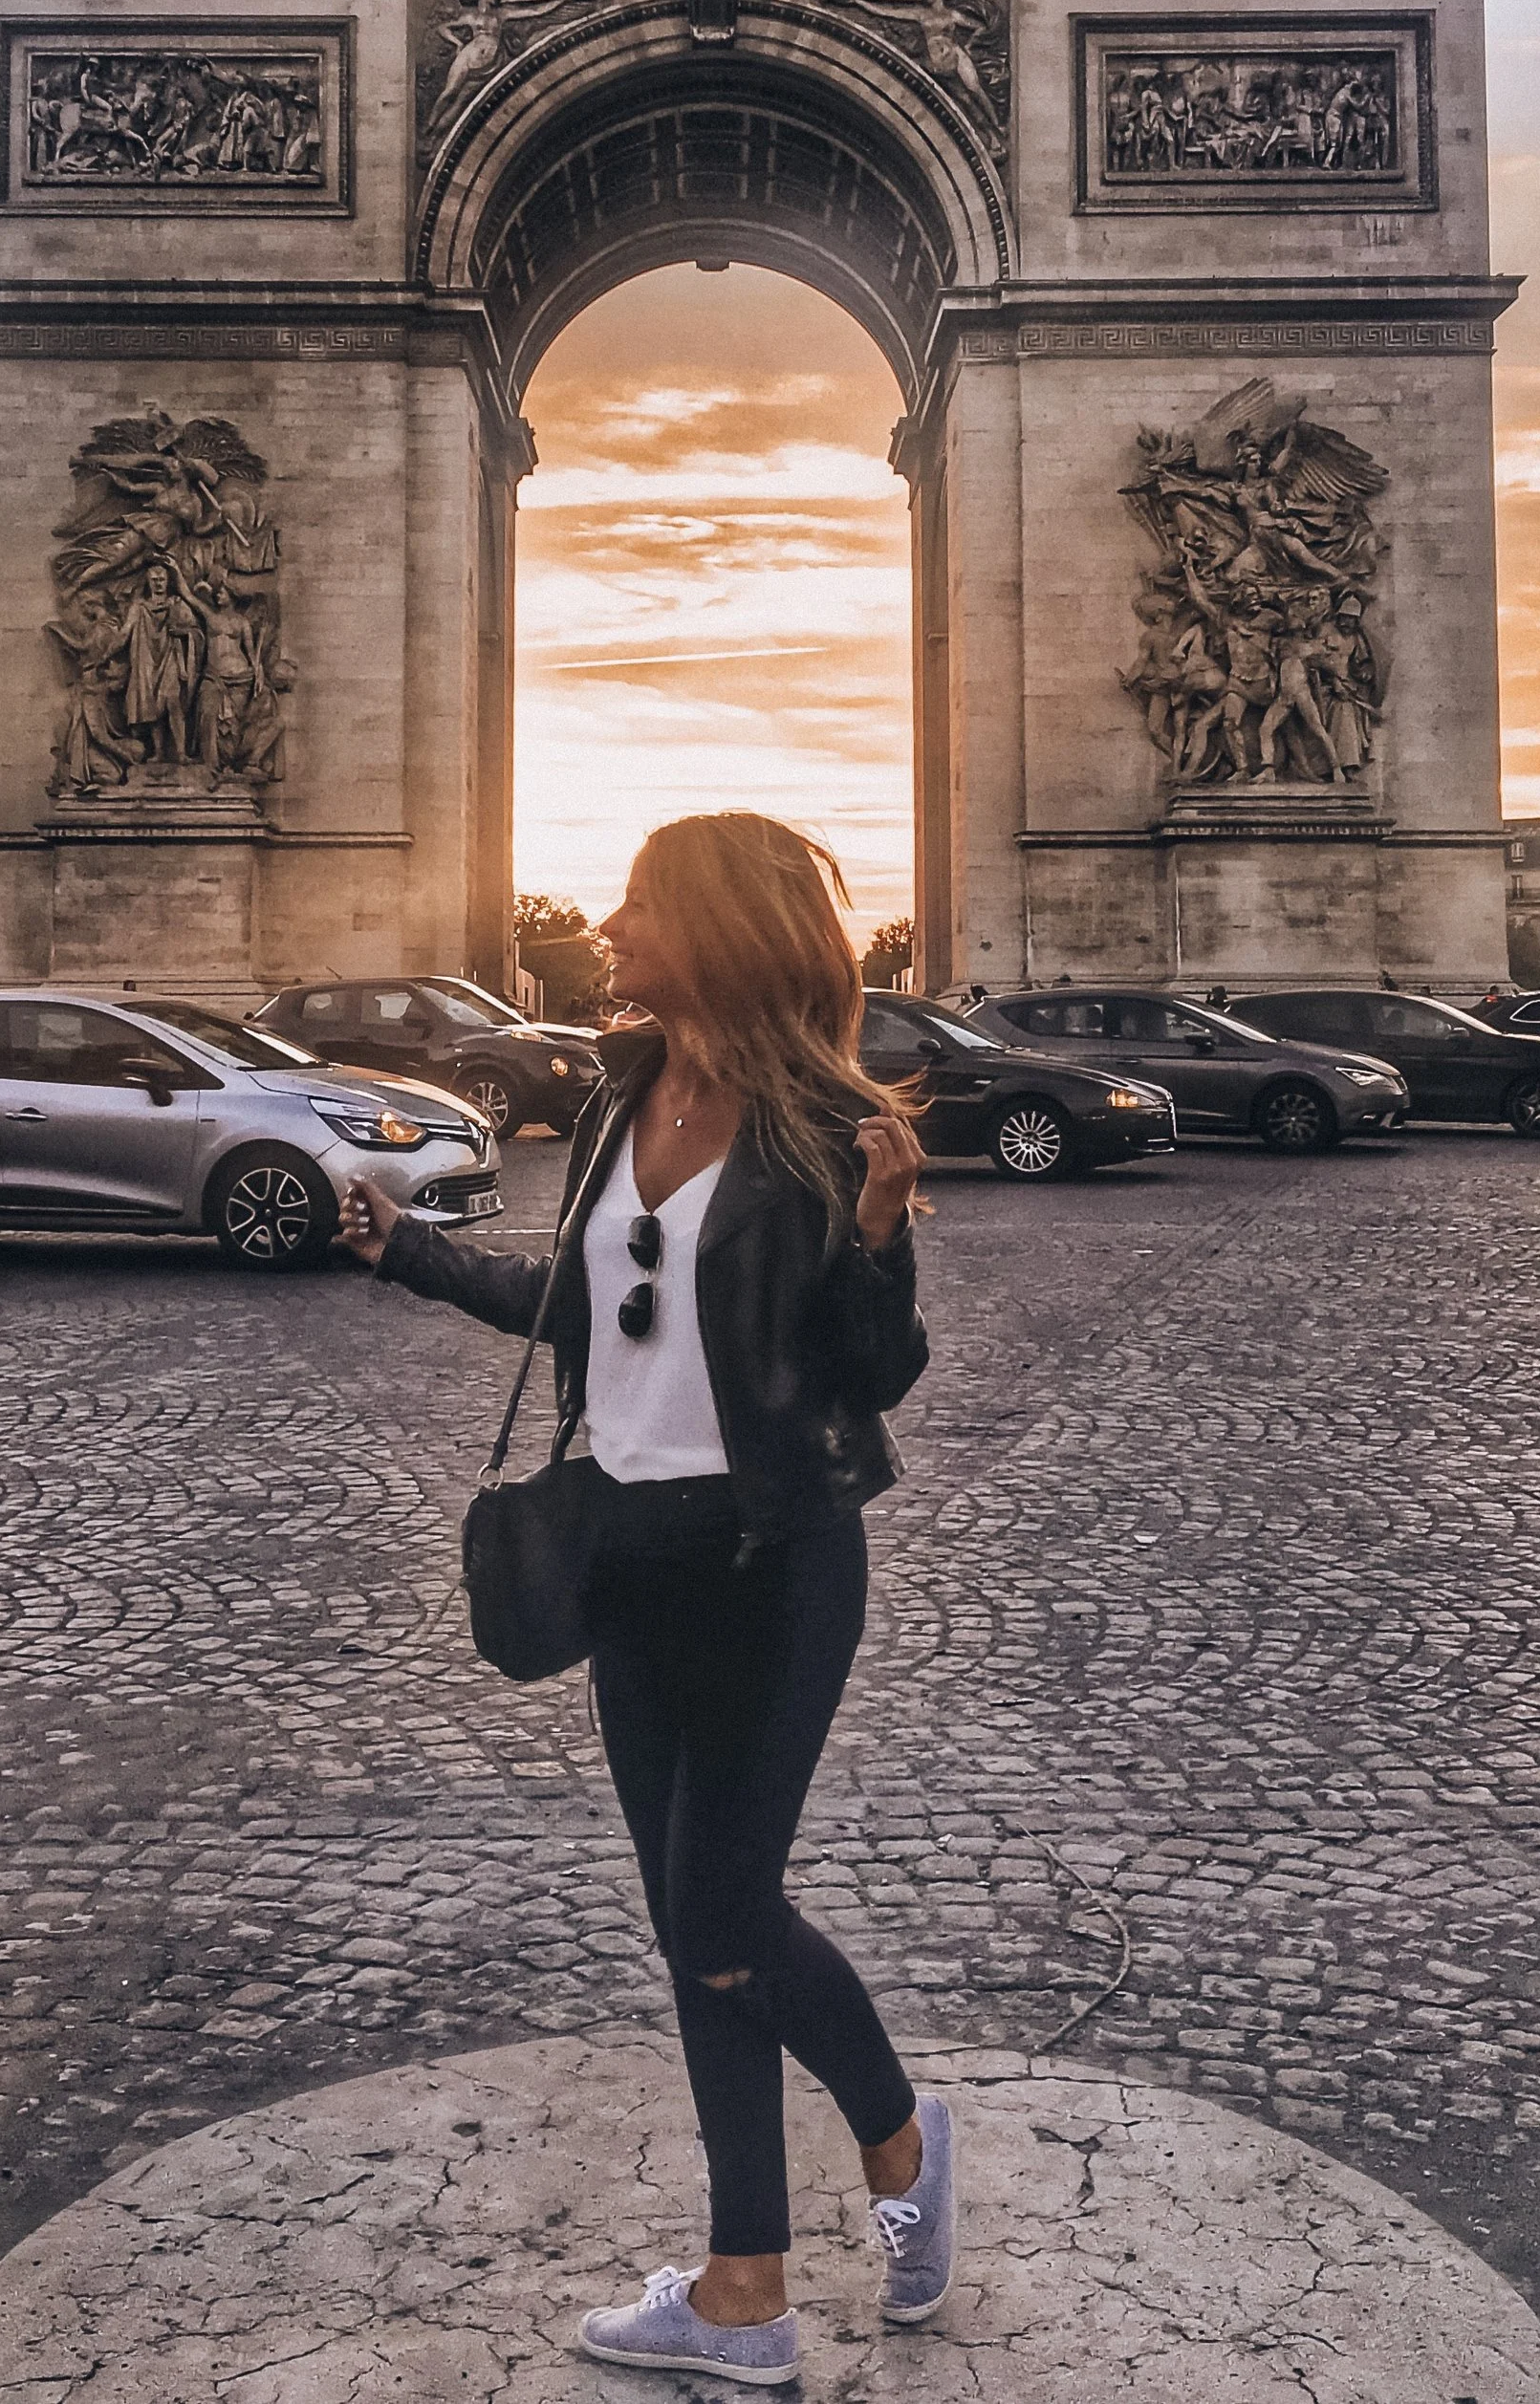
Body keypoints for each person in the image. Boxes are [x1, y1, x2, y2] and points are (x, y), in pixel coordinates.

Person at [336, 813, 951, 2383]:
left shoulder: (826, 1120)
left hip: (772, 1562)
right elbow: (581, 1309)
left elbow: (874, 1374)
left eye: (638, 905)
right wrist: (407, 1252)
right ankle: (745, 2286)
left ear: (715, 928)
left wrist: (877, 1239)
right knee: (696, 1934)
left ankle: (897, 2141)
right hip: (626, 1556)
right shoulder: (624, 1093)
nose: (607, 923)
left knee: (729, 1913)